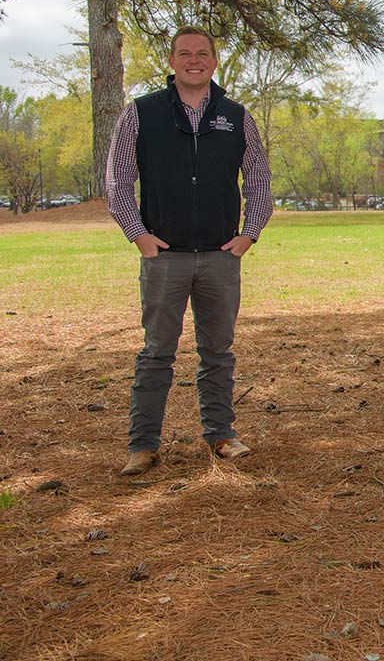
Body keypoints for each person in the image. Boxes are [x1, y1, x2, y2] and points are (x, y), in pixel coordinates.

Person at [106, 26, 272, 475]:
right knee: (157, 352)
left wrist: (249, 233)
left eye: (202, 54)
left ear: (214, 62)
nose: (193, 60)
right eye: (184, 53)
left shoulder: (237, 116)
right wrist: (137, 234)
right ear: (172, 61)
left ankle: (221, 435)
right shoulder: (141, 113)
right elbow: (118, 179)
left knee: (217, 351)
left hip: (221, 256)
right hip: (165, 256)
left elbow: (258, 178)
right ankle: (142, 446)